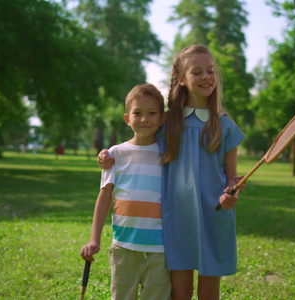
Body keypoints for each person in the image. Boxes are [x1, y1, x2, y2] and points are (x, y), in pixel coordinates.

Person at [99, 45, 246, 300]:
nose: (206, 77)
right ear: (181, 79)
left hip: (214, 217)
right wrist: (107, 155)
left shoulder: (225, 125)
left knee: (209, 293)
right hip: (176, 219)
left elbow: (232, 179)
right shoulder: (168, 123)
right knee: (180, 294)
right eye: (197, 72)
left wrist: (232, 192)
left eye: (210, 71)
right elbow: (138, 139)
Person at [80, 84, 171, 300]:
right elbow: (104, 200)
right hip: (123, 247)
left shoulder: (169, 155)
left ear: (162, 118)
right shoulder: (115, 154)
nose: (144, 119)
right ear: (127, 118)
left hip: (160, 249)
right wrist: (95, 240)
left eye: (152, 113)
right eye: (137, 113)